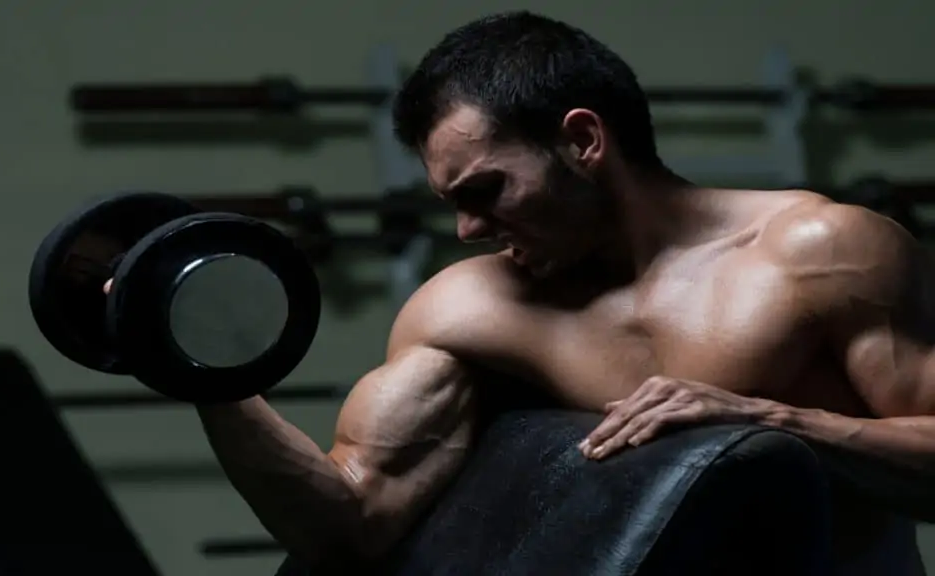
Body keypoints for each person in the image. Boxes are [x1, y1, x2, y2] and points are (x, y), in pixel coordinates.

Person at [148, 11, 935, 574]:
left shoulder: (820, 253)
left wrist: (771, 420)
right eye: (452, 202)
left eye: (487, 190)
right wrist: (213, 378)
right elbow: (351, 524)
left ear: (583, 141)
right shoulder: (473, 310)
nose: (466, 230)